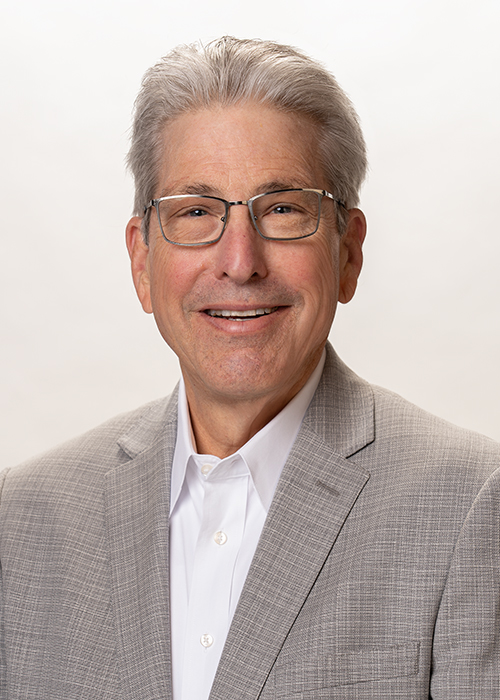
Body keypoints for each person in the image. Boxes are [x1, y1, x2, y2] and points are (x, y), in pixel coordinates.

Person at [0, 36, 499, 700]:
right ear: (140, 262)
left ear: (348, 254)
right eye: (196, 212)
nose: (240, 260)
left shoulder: (471, 506)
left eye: (283, 209)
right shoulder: (22, 518)